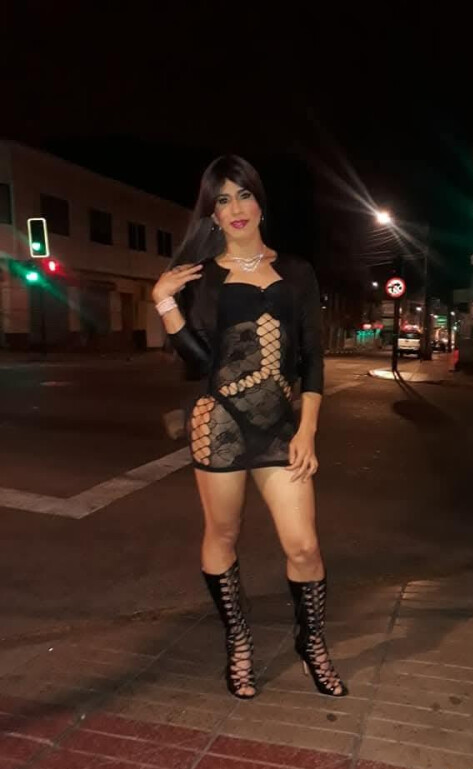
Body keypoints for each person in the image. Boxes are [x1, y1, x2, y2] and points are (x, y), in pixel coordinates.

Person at [152, 155, 347, 700]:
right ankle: (238, 641)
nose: (235, 207)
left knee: (304, 546)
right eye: (222, 199)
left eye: (243, 194)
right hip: (219, 423)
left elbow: (312, 357)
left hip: (281, 427)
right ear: (212, 214)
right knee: (223, 535)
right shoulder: (202, 277)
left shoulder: (298, 272)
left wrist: (307, 429)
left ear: (260, 202)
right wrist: (164, 301)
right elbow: (201, 363)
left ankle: (311, 643)